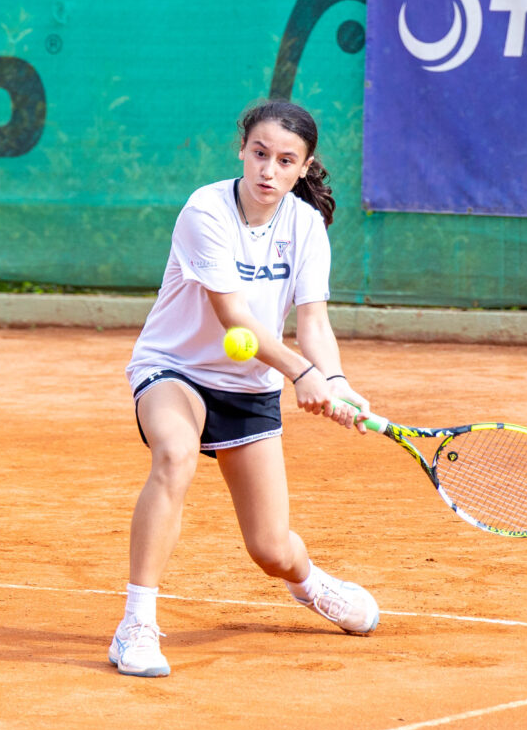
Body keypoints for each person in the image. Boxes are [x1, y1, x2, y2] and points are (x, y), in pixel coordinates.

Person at [109, 100, 379, 678]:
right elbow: (234, 316)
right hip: (174, 368)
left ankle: (310, 585)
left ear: (303, 168)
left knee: (271, 550)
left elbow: (313, 322)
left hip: (247, 386)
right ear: (242, 150)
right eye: (260, 154)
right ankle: (136, 623)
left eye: (285, 161)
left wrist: (334, 380)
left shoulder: (306, 226)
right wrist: (301, 373)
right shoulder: (204, 211)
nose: (268, 171)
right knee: (175, 454)